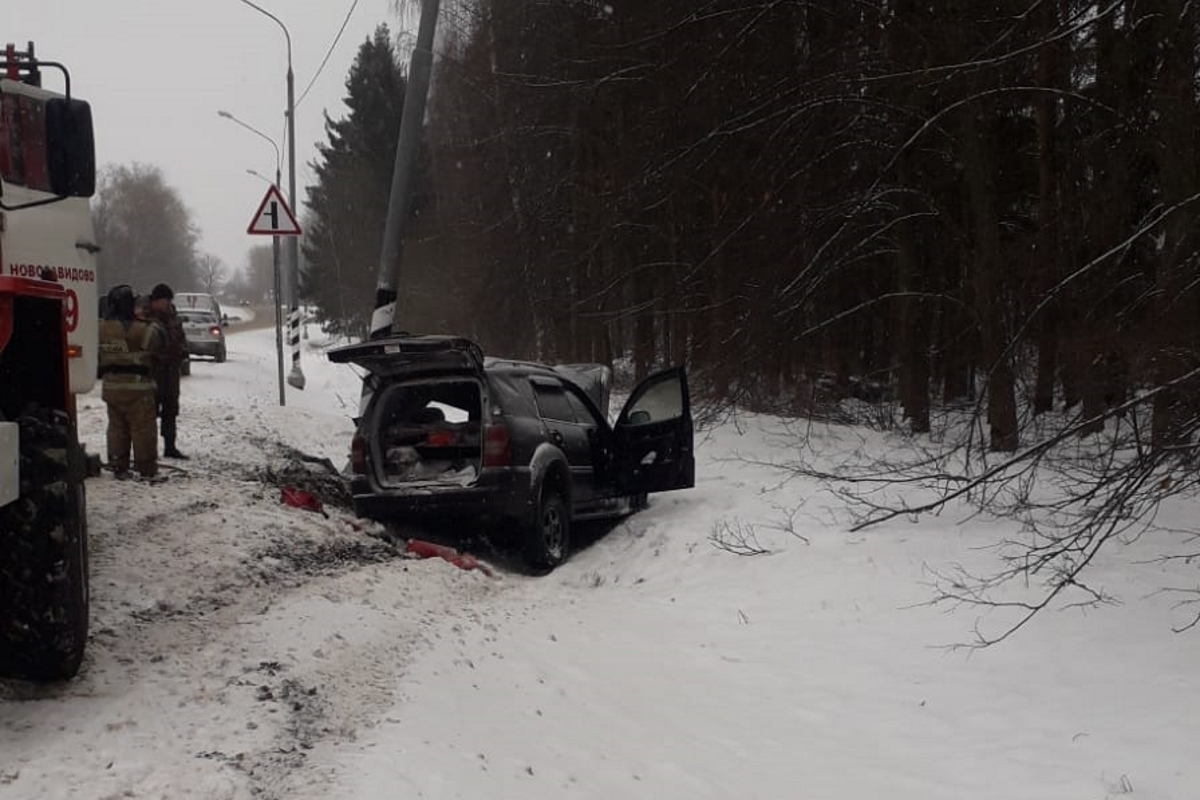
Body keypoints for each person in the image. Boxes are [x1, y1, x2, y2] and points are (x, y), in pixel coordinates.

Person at [98, 285, 162, 480]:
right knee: (143, 430)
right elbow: (159, 345)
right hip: (138, 389)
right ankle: (146, 468)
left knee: (117, 428)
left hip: (111, 388)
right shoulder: (145, 329)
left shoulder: (101, 328)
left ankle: (118, 464)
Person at [146, 282, 189, 459]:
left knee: (170, 411)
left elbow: (181, 339)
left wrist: (183, 352)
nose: (168, 304)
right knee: (149, 413)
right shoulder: (145, 318)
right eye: (165, 300)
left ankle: (170, 446)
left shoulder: (174, 317)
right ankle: (147, 450)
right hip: (153, 373)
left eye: (169, 301)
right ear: (156, 301)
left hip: (171, 372)